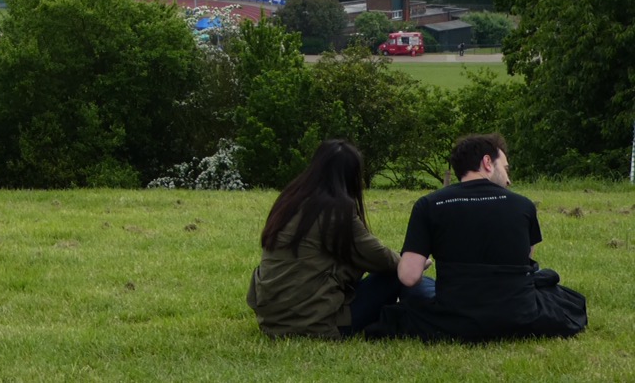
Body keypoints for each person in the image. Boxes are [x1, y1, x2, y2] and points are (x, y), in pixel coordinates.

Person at [368, 133, 587, 341]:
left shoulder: (429, 204)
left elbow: (408, 277)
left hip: (454, 316)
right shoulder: (523, 205)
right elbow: (526, 263)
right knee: (559, 291)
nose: (509, 180)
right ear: (487, 162)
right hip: (517, 314)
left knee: (420, 287)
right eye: (505, 168)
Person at [247, 139, 431, 338]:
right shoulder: (336, 209)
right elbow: (379, 257)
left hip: (271, 322)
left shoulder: (289, 199)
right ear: (352, 175)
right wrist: (414, 263)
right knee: (397, 273)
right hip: (315, 323)